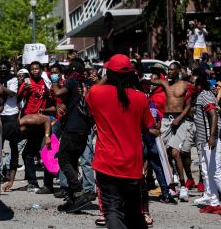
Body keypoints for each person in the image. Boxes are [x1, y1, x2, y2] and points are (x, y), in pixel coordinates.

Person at [86, 54, 157, 228]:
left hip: (107, 162)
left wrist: (107, 76)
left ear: (108, 73)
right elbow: (149, 126)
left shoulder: (96, 93)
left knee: (112, 209)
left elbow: (89, 99)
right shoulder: (140, 98)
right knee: (133, 210)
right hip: (132, 164)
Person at [53, 58, 96, 213]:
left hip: (72, 128)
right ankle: (73, 199)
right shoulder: (84, 84)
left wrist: (54, 81)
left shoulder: (72, 82)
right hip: (84, 129)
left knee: (63, 158)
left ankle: (78, 191)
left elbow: (58, 92)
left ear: (71, 69)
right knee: (71, 161)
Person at [151, 61, 196, 201]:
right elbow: (152, 81)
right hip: (165, 119)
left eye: (171, 70)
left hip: (179, 119)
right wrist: (157, 72)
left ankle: (183, 186)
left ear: (178, 71)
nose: (169, 72)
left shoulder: (185, 85)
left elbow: (188, 105)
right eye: (168, 70)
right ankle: (171, 185)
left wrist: (179, 119)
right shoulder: (165, 84)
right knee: (164, 153)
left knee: (176, 152)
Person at [17, 61, 54, 193]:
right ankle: (34, 182)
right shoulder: (27, 83)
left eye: (37, 68)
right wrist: (24, 91)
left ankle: (40, 183)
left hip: (42, 121)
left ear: (41, 70)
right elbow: (18, 98)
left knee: (39, 152)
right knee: (28, 152)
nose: (35, 71)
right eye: (32, 69)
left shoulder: (45, 82)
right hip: (29, 120)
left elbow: (50, 98)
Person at [192, 76, 221, 213]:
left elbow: (213, 115)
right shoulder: (201, 95)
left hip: (211, 140)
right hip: (204, 140)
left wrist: (213, 137)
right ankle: (214, 202)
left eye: (194, 83)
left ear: (200, 85)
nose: (192, 86)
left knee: (216, 172)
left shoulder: (205, 95)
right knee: (208, 172)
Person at [0, 61, 19, 191]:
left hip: (12, 115)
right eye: (1, 69)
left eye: (5, 69)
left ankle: (11, 177)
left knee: (14, 148)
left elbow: (11, 93)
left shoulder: (12, 79)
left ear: (8, 69)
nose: (3, 71)